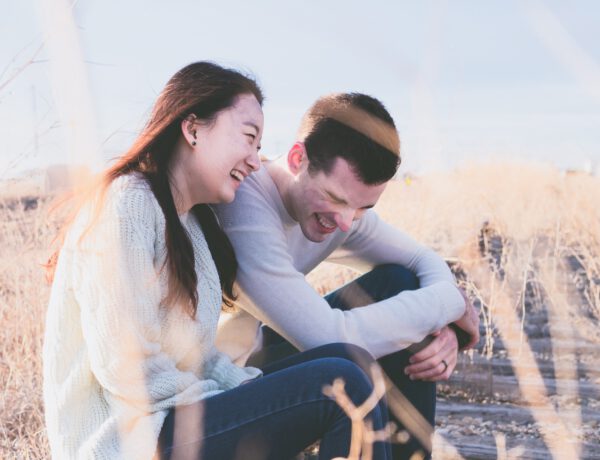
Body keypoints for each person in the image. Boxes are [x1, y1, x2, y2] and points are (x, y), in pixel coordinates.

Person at [43, 63, 392, 459]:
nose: (256, 161)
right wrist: (229, 401)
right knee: (340, 382)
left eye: (259, 147)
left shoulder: (190, 226)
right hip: (127, 442)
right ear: (192, 129)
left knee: (349, 358)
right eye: (248, 138)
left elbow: (199, 357)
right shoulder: (127, 203)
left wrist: (246, 392)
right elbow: (126, 368)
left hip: (173, 422)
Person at [213, 92, 480, 459]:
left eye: (363, 207)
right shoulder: (244, 205)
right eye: (335, 198)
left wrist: (442, 327)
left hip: (254, 361)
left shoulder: (343, 214)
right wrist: (449, 304)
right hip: (214, 395)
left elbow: (422, 259)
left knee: (400, 282)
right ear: (297, 158)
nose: (345, 221)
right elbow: (328, 336)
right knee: (355, 362)